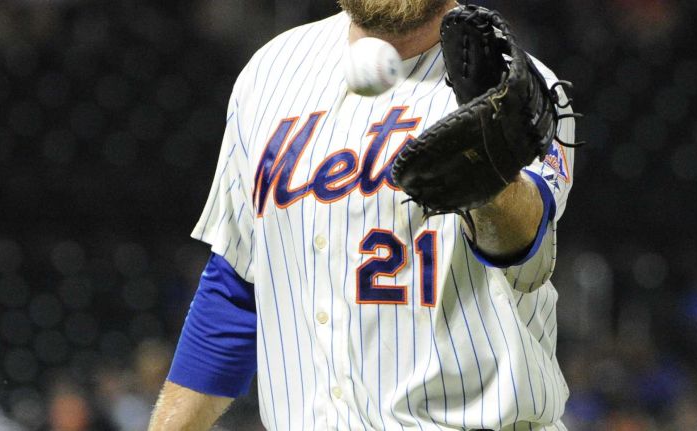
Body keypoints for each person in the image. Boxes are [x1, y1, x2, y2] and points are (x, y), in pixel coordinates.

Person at [149, 0, 577, 429]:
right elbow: (238, 286)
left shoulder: (515, 87)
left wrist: (489, 172)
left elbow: (522, 241)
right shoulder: (269, 73)